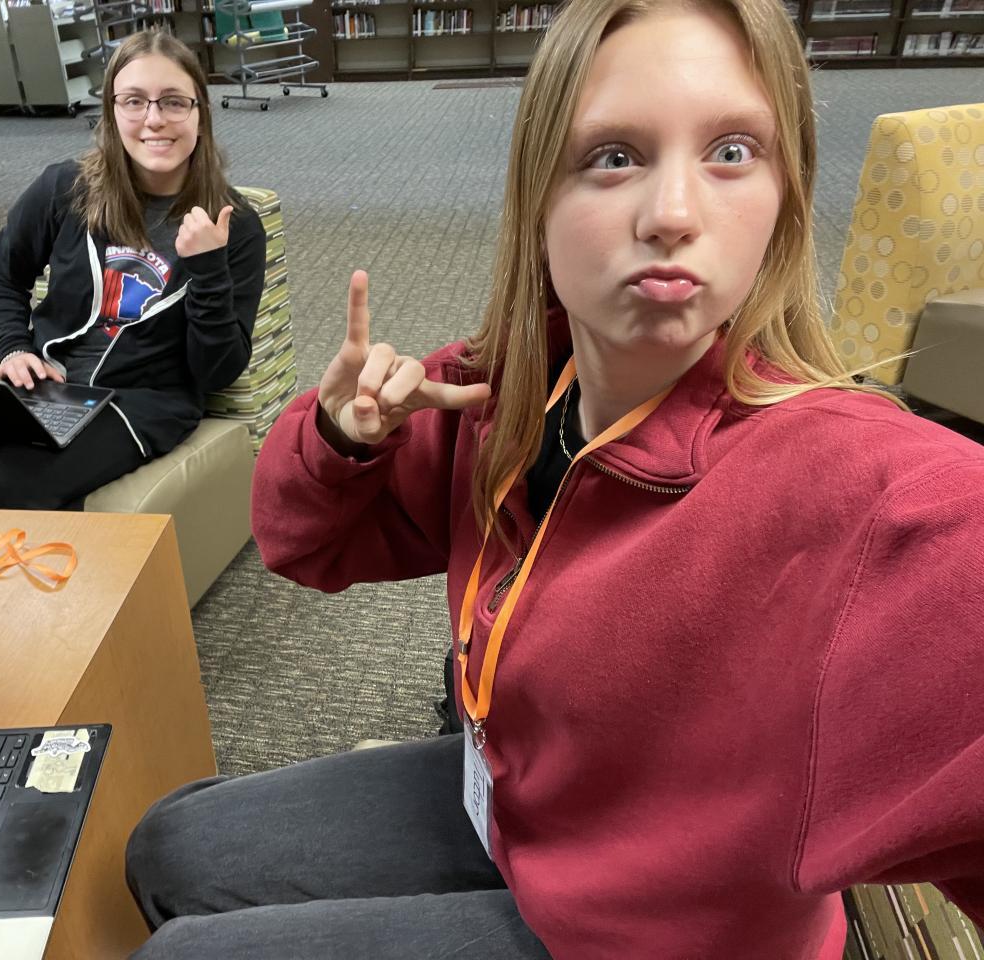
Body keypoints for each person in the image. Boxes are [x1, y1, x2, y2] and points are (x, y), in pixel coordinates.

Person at [122, 0, 984, 957]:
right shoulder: (508, 390)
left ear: (786, 196)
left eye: (732, 152)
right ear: (539, 201)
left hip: (653, 937)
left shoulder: (865, 493)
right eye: (614, 157)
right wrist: (339, 438)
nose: (673, 214)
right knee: (168, 845)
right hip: (527, 796)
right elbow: (302, 545)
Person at [0, 32, 265, 511]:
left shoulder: (233, 226)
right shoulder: (66, 187)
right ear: (111, 113)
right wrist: (15, 347)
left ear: (200, 113)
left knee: (11, 481)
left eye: (174, 102)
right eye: (134, 101)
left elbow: (216, 371)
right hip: (49, 383)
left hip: (143, 400)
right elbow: (2, 275)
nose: (154, 119)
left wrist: (209, 270)